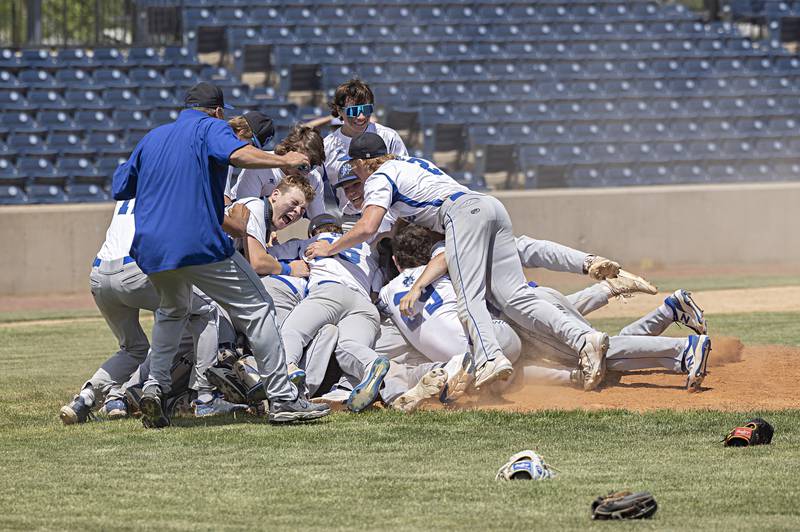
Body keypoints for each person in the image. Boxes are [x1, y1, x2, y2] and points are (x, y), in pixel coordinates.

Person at [305, 132, 612, 394]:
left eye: (354, 167)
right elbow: (387, 225)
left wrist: (331, 249)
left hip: (461, 215)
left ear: (361, 163)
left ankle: (491, 358)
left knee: (469, 297)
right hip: (489, 206)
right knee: (516, 295)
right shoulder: (411, 164)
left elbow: (367, 227)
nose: (355, 175)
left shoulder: (377, 177)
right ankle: (584, 338)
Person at [111, 81, 329, 427]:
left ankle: (155, 386)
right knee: (259, 309)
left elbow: (120, 185)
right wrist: (281, 158)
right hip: (195, 241)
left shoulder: (152, 137)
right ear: (217, 111)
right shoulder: (211, 126)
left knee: (172, 311)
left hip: (151, 247)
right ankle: (284, 399)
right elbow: (238, 154)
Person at [59, 198, 227, 423]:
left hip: (100, 274)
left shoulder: (132, 188)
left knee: (133, 349)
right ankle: (206, 398)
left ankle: (85, 398)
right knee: (207, 310)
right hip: (135, 270)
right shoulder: (167, 186)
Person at [322, 79, 408, 219]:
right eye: (353, 111)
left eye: (366, 109)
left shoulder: (388, 137)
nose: (361, 117)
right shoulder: (327, 147)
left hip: (388, 214)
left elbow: (404, 177)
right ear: (339, 111)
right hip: (350, 218)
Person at [228, 125, 327, 219]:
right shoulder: (261, 165)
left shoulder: (314, 178)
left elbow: (318, 220)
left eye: (312, 167)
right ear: (288, 152)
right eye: (302, 165)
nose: (306, 172)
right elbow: (244, 212)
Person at [224, 111, 275, 204]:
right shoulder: (224, 146)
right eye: (253, 145)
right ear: (242, 131)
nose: (252, 150)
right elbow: (223, 200)